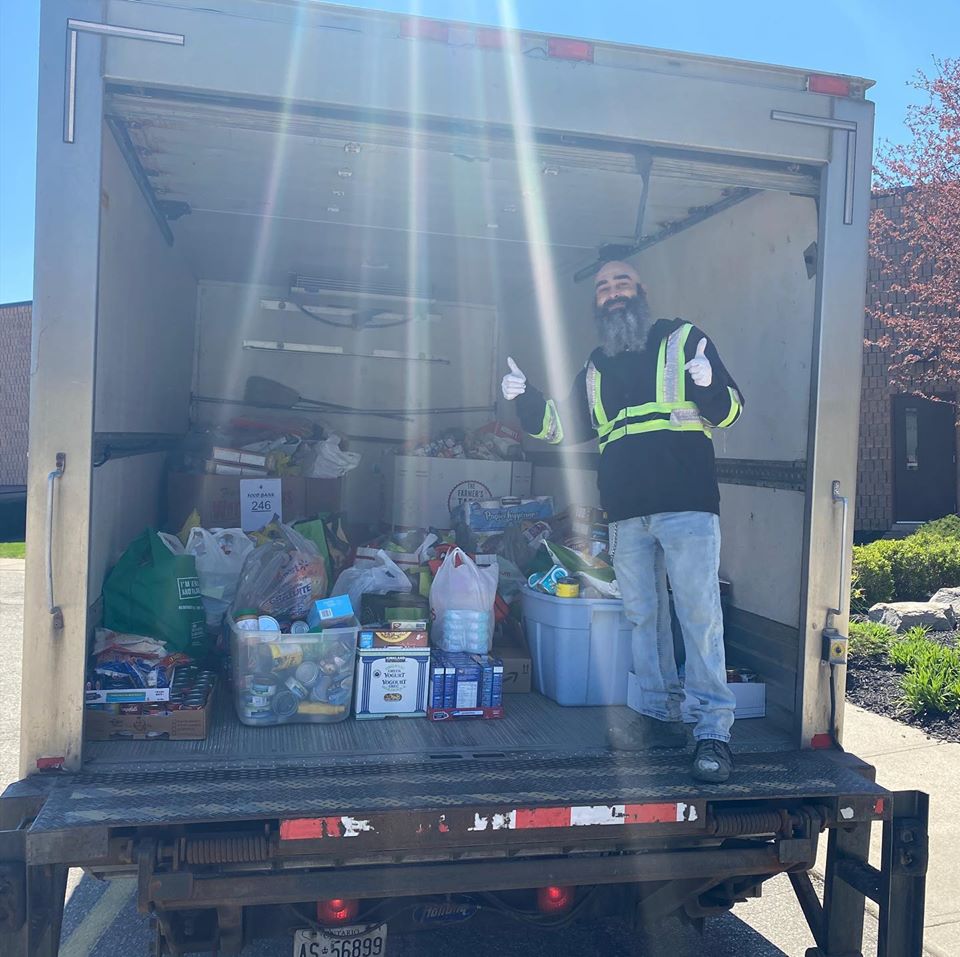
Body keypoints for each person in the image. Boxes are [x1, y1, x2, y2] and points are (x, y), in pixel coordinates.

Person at [502, 260, 744, 783]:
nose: (613, 293)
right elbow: (563, 427)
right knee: (642, 617)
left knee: (699, 617)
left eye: (622, 283)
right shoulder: (596, 366)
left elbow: (727, 412)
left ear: (641, 291)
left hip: (687, 505)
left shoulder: (683, 341)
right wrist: (526, 399)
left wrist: (707, 384)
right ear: (597, 303)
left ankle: (712, 733)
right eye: (603, 287)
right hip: (628, 512)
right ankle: (659, 715)